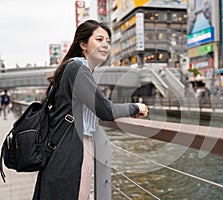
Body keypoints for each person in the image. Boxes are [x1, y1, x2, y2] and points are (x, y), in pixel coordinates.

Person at [32, 20, 149, 200]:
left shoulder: (75, 68)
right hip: (69, 150)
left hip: (66, 146)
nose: (105, 45)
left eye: (108, 41)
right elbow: (105, 110)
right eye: (99, 39)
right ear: (83, 45)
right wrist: (136, 107)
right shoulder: (77, 68)